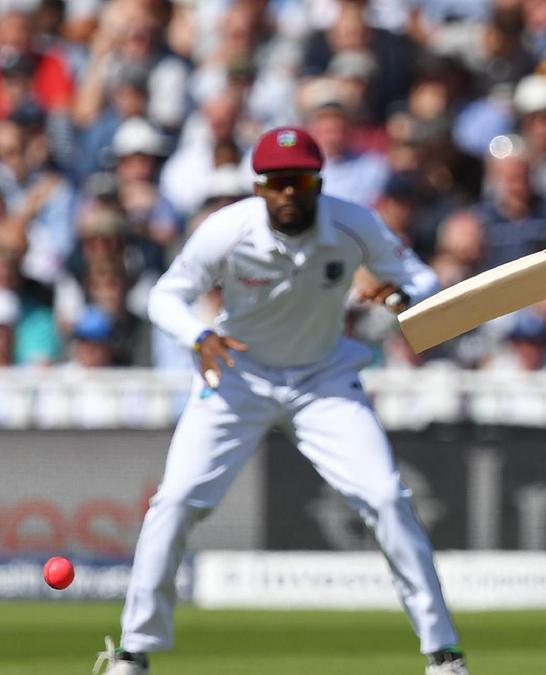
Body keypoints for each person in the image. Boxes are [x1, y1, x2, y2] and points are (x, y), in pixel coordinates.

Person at [92, 127, 468, 675]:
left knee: (387, 497)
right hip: (237, 376)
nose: (289, 192)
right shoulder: (227, 230)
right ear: (258, 187)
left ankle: (443, 654)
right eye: (277, 183)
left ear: (318, 182)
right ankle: (133, 652)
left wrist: (398, 295)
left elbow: (421, 279)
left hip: (323, 379)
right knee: (174, 503)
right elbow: (164, 296)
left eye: (300, 180)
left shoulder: (352, 223)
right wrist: (199, 336)